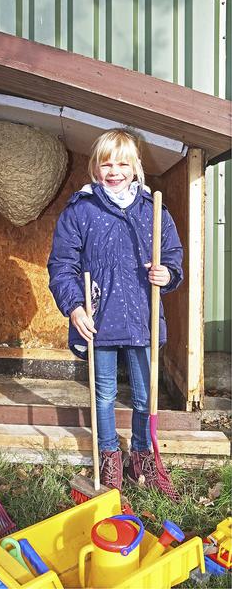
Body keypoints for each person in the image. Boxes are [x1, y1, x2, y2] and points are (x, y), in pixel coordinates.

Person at [48, 128, 183, 500]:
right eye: (106, 163)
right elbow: (61, 264)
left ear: (136, 167)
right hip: (98, 317)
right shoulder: (82, 210)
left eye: (122, 163)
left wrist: (167, 273)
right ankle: (109, 455)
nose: (114, 170)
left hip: (142, 317)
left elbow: (172, 254)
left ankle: (142, 454)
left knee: (145, 395)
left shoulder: (151, 209)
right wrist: (74, 307)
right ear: (95, 167)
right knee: (104, 394)